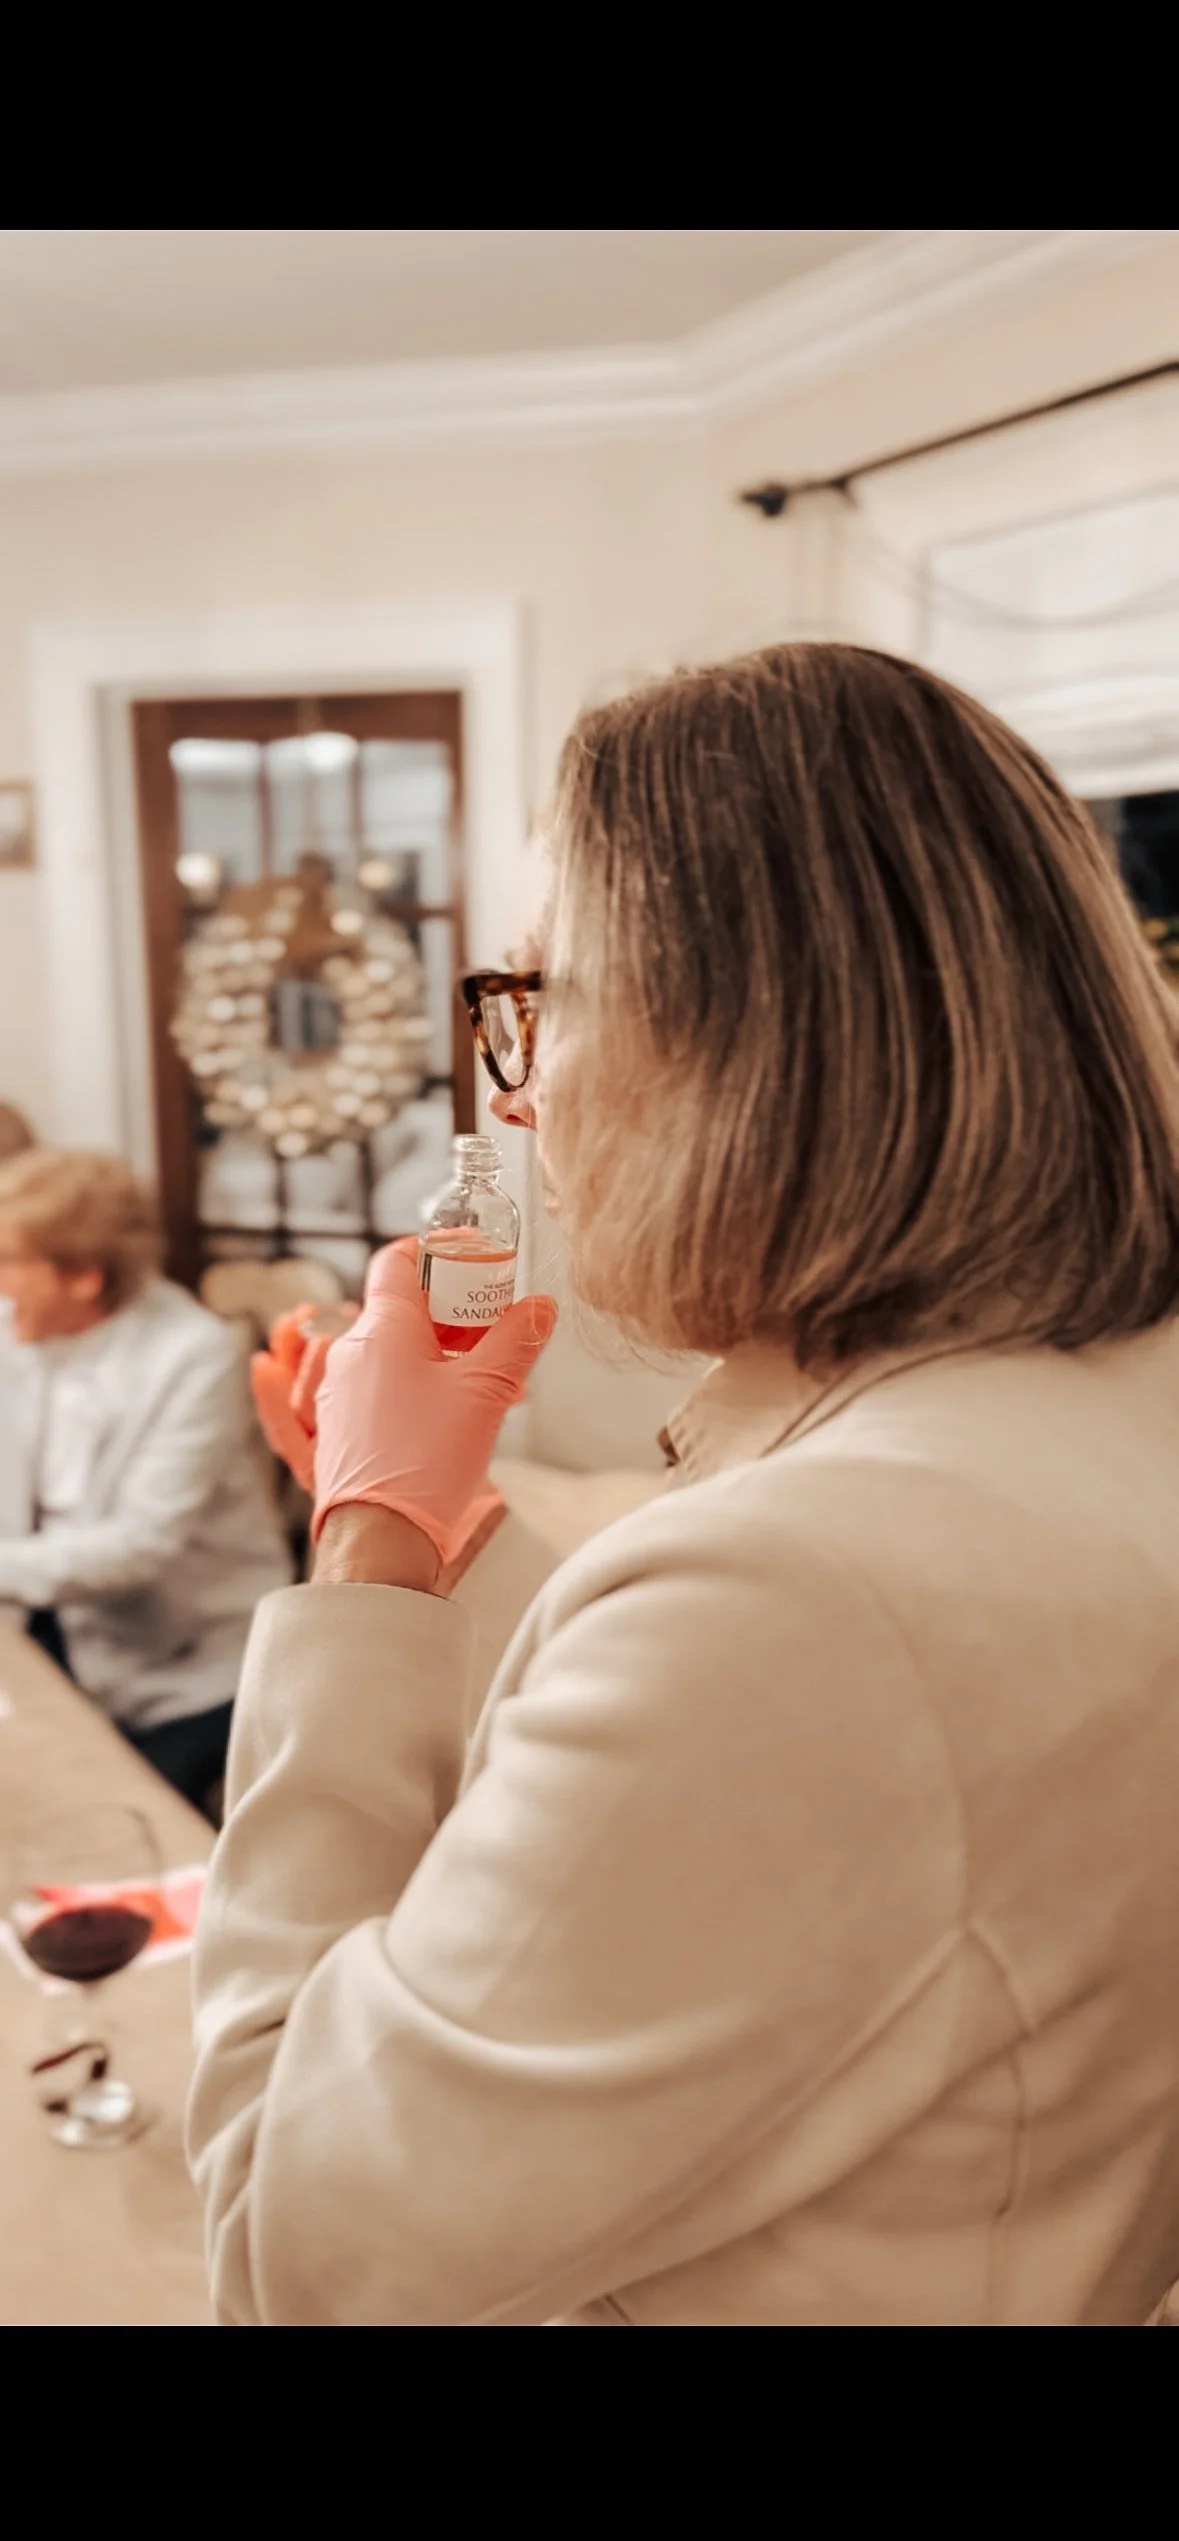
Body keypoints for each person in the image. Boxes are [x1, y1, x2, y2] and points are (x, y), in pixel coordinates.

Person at [189, 644, 1179, 2327]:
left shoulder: (809, 1594)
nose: (516, 1092)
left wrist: (360, 1561)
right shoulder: (1090, 1411)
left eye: (530, 998)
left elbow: (300, 2263)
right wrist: (445, 1536)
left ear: (742, 1032)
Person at [0, 1150, 291, 1817]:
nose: (0, 1279)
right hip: (49, 1631)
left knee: (111, 1834)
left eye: (10, 1262)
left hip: (185, 1669)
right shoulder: (16, 1328)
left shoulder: (192, 1353)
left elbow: (138, 1545)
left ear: (82, 1278)